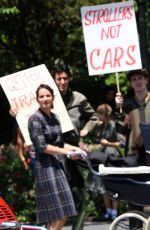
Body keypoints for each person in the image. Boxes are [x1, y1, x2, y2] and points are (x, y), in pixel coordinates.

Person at [28, 84, 87, 230]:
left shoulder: (55, 117)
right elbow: (42, 147)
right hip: (45, 168)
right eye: (41, 96)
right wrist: (66, 153)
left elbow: (60, 143)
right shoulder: (35, 119)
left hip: (58, 167)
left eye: (47, 95)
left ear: (53, 97)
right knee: (59, 214)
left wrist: (76, 149)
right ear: (37, 99)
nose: (45, 99)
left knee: (65, 210)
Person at [51, 63, 98, 229]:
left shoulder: (78, 98)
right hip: (53, 153)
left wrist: (85, 130)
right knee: (53, 201)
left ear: (68, 79)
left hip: (73, 151)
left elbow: (94, 118)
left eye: (65, 78)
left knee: (80, 197)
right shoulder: (48, 98)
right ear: (54, 80)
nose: (62, 82)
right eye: (59, 79)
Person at [115, 68, 150, 226]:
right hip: (134, 154)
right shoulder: (127, 104)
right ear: (131, 83)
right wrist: (118, 108)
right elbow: (119, 129)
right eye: (134, 79)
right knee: (135, 194)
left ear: (146, 80)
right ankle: (135, 227)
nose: (137, 81)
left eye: (140, 78)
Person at [85, 104, 125, 221]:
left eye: (99, 113)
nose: (97, 115)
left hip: (112, 156)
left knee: (113, 184)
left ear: (105, 114)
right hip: (102, 156)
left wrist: (108, 143)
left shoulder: (113, 125)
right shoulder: (101, 126)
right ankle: (108, 211)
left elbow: (121, 143)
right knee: (103, 184)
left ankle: (114, 211)